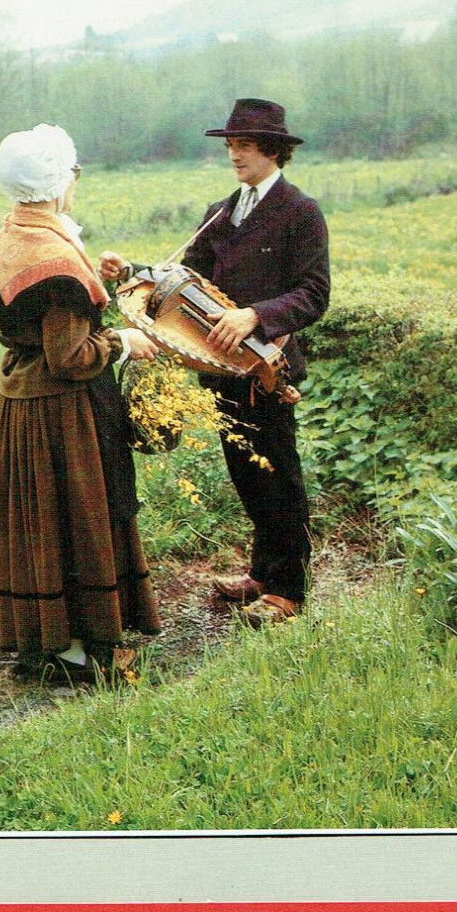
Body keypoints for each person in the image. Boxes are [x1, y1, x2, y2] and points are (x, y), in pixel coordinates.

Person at [99, 98, 329, 625]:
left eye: (243, 146)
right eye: (230, 146)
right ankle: (261, 574)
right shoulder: (222, 212)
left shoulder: (300, 212)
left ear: (273, 150)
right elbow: (186, 277)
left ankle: (287, 591)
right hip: (220, 365)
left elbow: (315, 294)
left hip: (268, 368)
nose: (234, 155)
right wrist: (129, 269)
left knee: (279, 476)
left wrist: (255, 314)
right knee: (247, 473)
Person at [0, 123, 161, 682]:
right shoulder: (55, 264)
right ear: (59, 178)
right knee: (76, 522)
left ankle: (53, 638)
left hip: (25, 402)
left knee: (45, 524)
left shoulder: (16, 230)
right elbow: (71, 356)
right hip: (59, 411)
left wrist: (101, 276)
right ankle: (75, 653)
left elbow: (40, 321)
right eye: (72, 172)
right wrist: (122, 341)